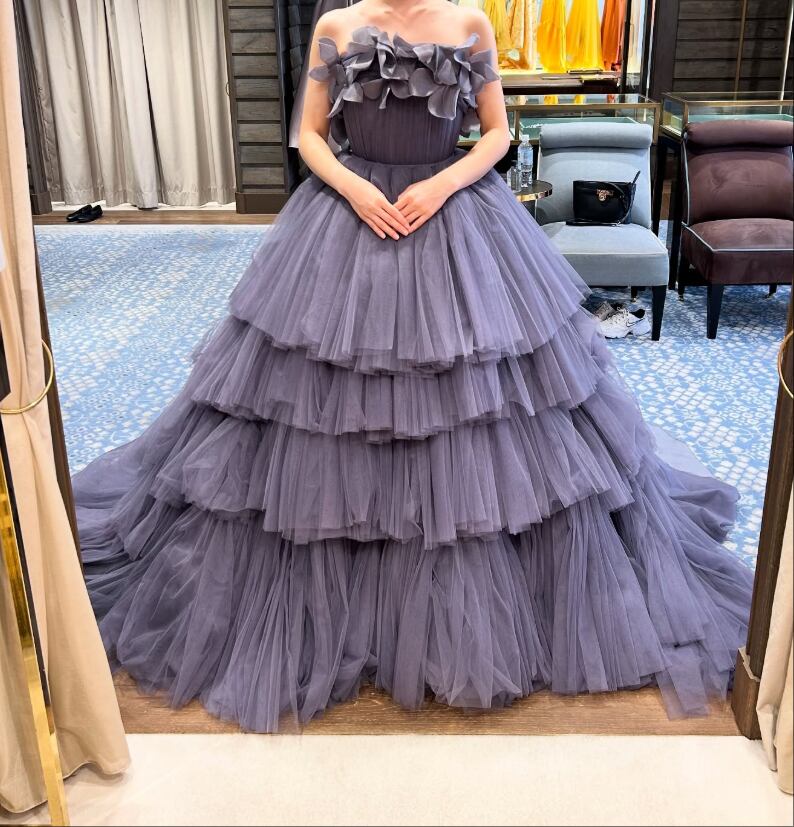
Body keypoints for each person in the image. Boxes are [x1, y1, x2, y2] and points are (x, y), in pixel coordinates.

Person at [75, 0, 753, 733]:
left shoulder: (470, 23)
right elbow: (309, 135)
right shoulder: (338, 25)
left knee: (481, 399)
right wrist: (357, 188)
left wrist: (443, 182)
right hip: (347, 217)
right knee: (319, 396)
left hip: (455, 216)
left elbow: (497, 133)